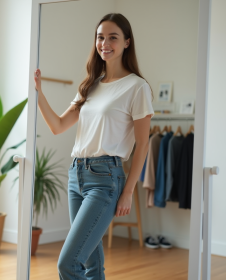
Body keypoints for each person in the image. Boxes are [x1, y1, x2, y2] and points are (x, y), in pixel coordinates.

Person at [34, 13, 154, 280]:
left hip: (105, 179)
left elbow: (143, 144)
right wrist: (39, 93)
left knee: (67, 263)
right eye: (100, 37)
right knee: (91, 264)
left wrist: (128, 191)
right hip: (76, 176)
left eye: (113, 37)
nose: (105, 43)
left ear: (126, 42)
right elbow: (58, 126)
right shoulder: (90, 85)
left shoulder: (137, 87)